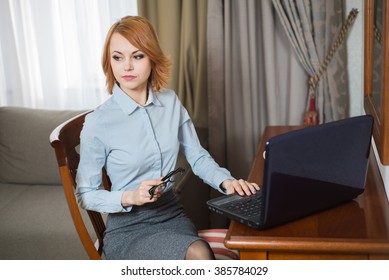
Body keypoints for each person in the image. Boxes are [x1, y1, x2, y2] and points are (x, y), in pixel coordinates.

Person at [75, 15, 259, 260]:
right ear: (109, 62)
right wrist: (130, 196)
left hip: (172, 214)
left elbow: (197, 156)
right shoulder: (98, 122)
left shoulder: (170, 102)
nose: (126, 67)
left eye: (137, 56)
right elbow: (85, 193)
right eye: (117, 57)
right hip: (129, 228)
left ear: (152, 57)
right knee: (199, 253)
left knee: (203, 251)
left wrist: (227, 182)